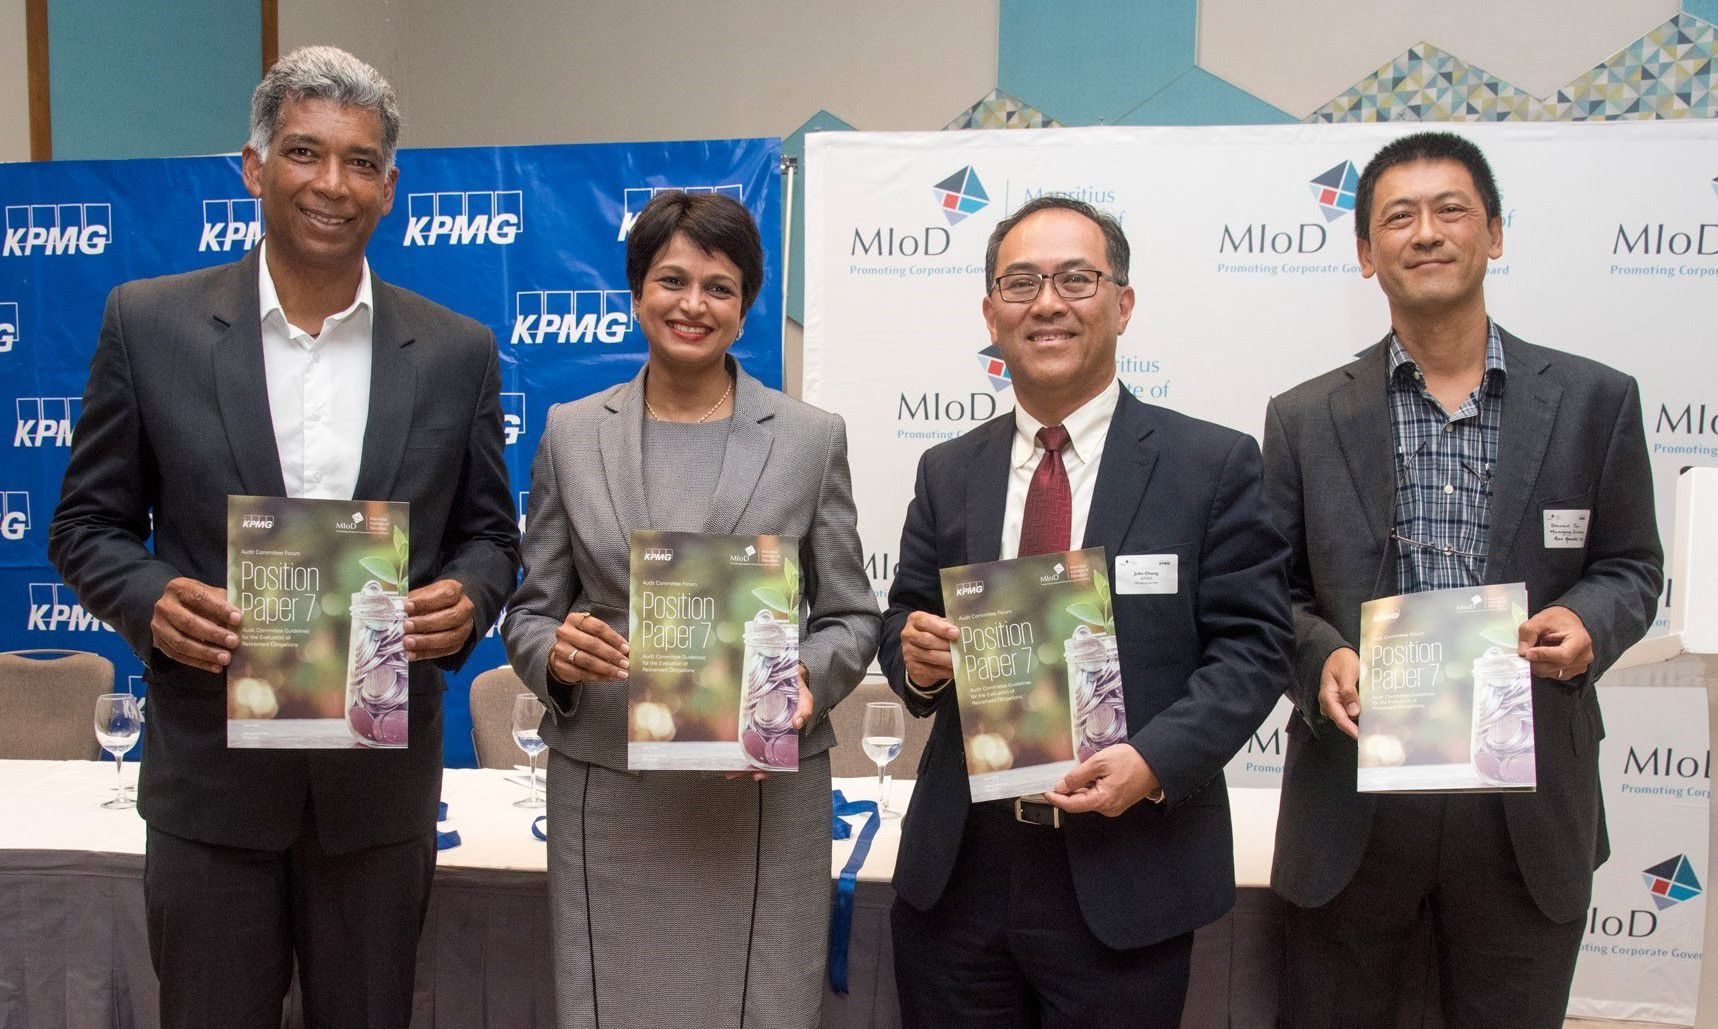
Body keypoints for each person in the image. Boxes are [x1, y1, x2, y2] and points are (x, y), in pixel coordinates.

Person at [47, 46, 520, 1028]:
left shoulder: (456, 351)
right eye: (305, 152)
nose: (331, 184)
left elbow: (489, 536)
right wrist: (149, 601)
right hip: (211, 786)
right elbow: (86, 525)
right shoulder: (149, 325)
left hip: (377, 793)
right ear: (255, 167)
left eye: (359, 162)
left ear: (389, 188)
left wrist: (469, 598)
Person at [1263, 131, 1664, 1028]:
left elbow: (1633, 566)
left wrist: (1587, 621)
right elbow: (1269, 593)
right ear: (1366, 254)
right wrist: (1321, 656)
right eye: (1398, 217)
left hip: (1524, 801)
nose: (1426, 232)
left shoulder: (1595, 401)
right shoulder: (1302, 417)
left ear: (1495, 233)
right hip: (1354, 798)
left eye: (1451, 210)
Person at [879, 195, 1292, 1028]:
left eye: (1076, 279)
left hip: (1128, 869)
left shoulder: (1210, 463)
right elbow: (903, 621)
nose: (1047, 302)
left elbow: (1254, 648)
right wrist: (915, 658)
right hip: (962, 871)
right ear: (991, 313)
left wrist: (1153, 761)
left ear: (1122, 303)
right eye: (1021, 282)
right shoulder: (949, 470)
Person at [501, 190, 880, 1029]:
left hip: (760, 797)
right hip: (609, 789)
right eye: (672, 280)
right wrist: (555, 655)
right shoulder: (570, 432)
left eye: (719, 286)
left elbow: (854, 617)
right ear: (638, 292)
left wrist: (804, 683)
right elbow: (528, 613)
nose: (693, 304)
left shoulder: (810, 437)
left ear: (746, 305)